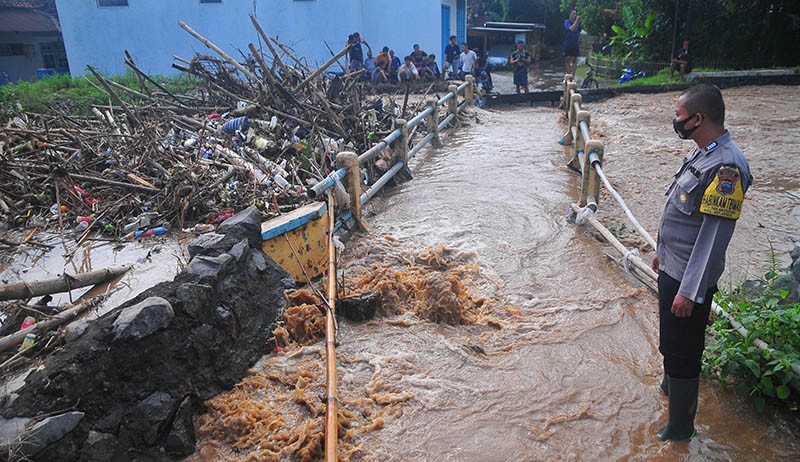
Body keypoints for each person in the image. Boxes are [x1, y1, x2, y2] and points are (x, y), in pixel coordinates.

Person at [650, 84, 752, 441]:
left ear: (698, 118)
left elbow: (712, 238)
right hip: (673, 267)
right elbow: (681, 212)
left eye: (679, 116)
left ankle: (680, 431)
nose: (675, 122)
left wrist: (689, 293)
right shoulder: (703, 153)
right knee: (671, 343)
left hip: (688, 281)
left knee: (684, 352)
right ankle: (669, 392)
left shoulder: (727, 168)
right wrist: (661, 253)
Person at [563, 9, 581, 79]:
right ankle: (568, 75)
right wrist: (576, 20)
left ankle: (573, 76)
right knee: (567, 59)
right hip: (568, 44)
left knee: (574, 59)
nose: (575, 15)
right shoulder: (567, 22)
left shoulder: (578, 23)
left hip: (575, 44)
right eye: (573, 14)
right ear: (570, 15)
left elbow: (579, 31)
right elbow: (571, 29)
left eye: (575, 14)